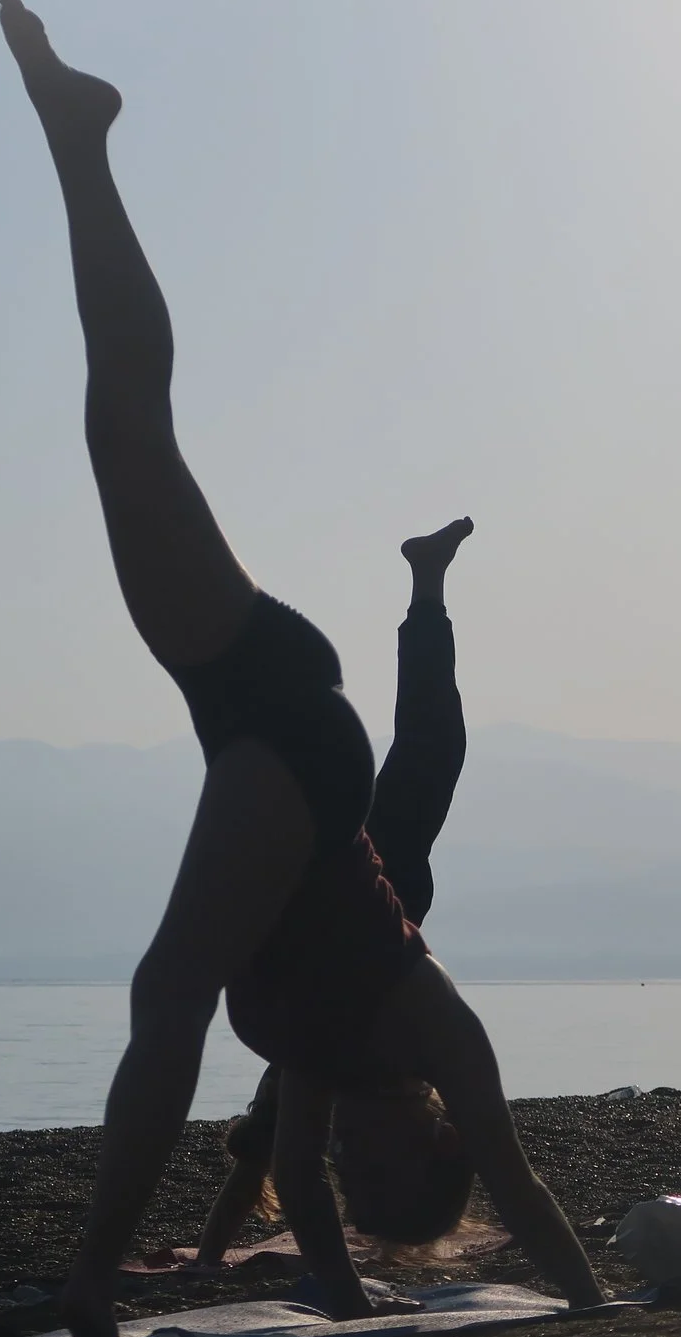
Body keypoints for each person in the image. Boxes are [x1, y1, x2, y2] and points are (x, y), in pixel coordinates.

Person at [0, 0, 604, 1337]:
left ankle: (76, 140)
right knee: (168, 991)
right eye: (399, 1183)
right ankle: (80, 137)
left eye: (357, 1187)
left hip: (259, 720)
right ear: (432, 1141)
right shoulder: (434, 1036)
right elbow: (524, 1183)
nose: (351, 1173)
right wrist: (596, 1304)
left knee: (119, 427)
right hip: (295, 737)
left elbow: (311, 1212)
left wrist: (342, 1295)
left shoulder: (326, 1076)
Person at [192, 517, 476, 1264]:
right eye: (369, 1167)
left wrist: (209, 1260)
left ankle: (422, 585)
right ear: (431, 1136)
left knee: (430, 748)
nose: (346, 1155)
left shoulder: (304, 1059)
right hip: (385, 903)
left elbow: (265, 1153)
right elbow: (505, 1167)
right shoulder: (428, 1058)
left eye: (352, 1175)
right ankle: (424, 586)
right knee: (431, 748)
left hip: (353, 887)